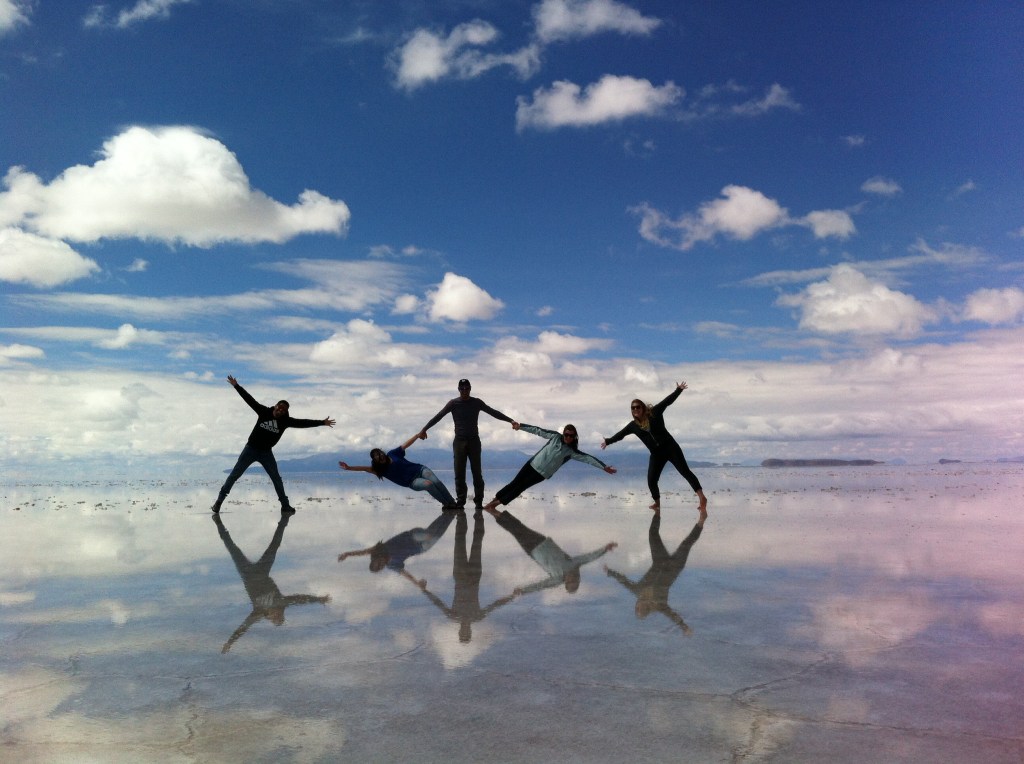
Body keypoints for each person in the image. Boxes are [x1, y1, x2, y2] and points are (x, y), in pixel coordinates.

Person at [213, 375, 335, 514]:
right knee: (234, 475)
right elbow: (249, 399)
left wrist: (322, 422)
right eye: (279, 408)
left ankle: (285, 506)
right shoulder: (263, 411)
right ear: (275, 406)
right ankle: (218, 503)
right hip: (250, 449)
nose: (280, 411)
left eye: (283, 410)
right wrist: (236, 386)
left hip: (266, 453)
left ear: (286, 412)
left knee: (276, 479)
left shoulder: (286, 421)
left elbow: (303, 422)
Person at [213, 513, 331, 653]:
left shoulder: (258, 613)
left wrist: (230, 642)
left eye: (275, 618)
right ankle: (283, 521)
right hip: (263, 571)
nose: (277, 614)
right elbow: (300, 599)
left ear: (270, 618)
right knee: (274, 545)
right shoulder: (281, 603)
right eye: (279, 616)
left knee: (231, 547)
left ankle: (218, 523)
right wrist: (318, 599)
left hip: (247, 574)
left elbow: (243, 627)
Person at [601, 381, 707, 514]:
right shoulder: (633, 425)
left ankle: (702, 497)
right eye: (633, 408)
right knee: (651, 480)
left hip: (670, 447)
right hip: (656, 454)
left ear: (643, 407)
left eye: (638, 407)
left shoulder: (654, 413)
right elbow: (620, 435)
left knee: (685, 471)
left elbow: (667, 402)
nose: (635, 410)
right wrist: (608, 441)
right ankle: (657, 503)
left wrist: (678, 390)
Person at [419, 379, 518, 509]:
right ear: (458, 390)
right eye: (462, 389)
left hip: (474, 441)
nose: (465, 391)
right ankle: (461, 501)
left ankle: (478, 502)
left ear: (470, 388)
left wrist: (510, 420)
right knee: (459, 474)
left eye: (467, 388)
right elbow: (439, 416)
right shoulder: (453, 403)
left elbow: (493, 412)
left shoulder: (477, 402)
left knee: (477, 473)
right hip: (459, 441)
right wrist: (424, 429)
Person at [604, 511, 705, 635]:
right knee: (687, 543)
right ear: (644, 608)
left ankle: (657, 511)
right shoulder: (659, 605)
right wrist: (684, 627)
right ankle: (701, 520)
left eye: (636, 608)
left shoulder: (638, 591)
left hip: (659, 561)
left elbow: (623, 581)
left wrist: (610, 572)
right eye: (638, 608)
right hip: (674, 567)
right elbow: (672, 615)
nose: (636, 606)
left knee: (653, 534)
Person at [483, 505, 617, 594]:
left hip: (532, 550)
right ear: (577, 579)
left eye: (568, 582)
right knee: (518, 527)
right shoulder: (574, 564)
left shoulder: (557, 579)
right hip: (542, 541)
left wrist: (523, 590)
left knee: (515, 530)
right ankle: (492, 511)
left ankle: (493, 512)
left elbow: (540, 585)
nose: (569, 579)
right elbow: (590, 557)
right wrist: (605, 548)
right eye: (573, 581)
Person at [481, 423, 616, 511]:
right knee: (514, 483)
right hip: (532, 464)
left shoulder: (572, 452)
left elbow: (588, 459)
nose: (568, 437)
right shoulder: (555, 437)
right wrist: (520, 426)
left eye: (571, 436)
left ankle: (495, 504)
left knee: (521, 487)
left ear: (575, 437)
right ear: (563, 434)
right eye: (566, 435)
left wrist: (603, 467)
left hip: (541, 474)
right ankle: (495, 499)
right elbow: (538, 431)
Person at [337, 510, 457, 587]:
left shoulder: (379, 550)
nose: (381, 565)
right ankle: (450, 515)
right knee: (435, 536)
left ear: (375, 559)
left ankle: (447, 512)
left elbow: (362, 552)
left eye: (377, 563)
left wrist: (347, 554)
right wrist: (417, 583)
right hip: (420, 548)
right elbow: (405, 574)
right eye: (380, 568)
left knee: (429, 534)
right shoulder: (392, 565)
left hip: (412, 536)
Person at [339, 432, 459, 509]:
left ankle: (453, 502)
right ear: (375, 461)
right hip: (411, 482)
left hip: (420, 469)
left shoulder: (393, 454)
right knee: (429, 484)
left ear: (382, 453)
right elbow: (364, 468)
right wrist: (349, 468)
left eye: (380, 453)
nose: (380, 456)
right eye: (377, 457)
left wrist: (417, 435)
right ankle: (446, 504)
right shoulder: (381, 470)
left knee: (436, 482)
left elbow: (405, 445)